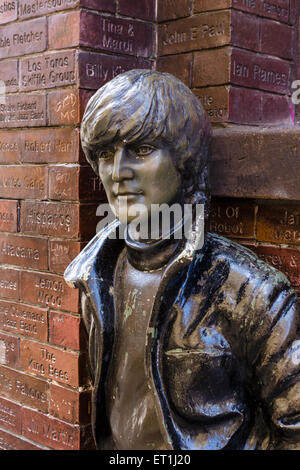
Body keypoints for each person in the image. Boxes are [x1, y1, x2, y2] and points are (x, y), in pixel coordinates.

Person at [64, 70, 300, 450]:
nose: (118, 172)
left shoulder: (251, 292)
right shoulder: (94, 275)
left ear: (185, 161)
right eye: (106, 155)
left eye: (141, 150)